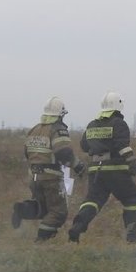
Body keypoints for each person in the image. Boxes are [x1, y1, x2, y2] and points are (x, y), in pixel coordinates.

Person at [68, 92, 136, 243]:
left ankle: (77, 226)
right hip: (115, 169)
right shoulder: (118, 123)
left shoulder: (92, 124)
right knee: (131, 198)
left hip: (95, 170)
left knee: (93, 200)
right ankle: (132, 234)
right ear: (118, 106)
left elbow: (84, 146)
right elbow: (122, 146)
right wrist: (133, 163)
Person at [12, 97, 85, 242]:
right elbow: (64, 153)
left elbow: (27, 152)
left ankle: (22, 209)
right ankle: (41, 241)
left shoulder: (35, 129)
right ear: (60, 114)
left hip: (33, 177)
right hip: (51, 178)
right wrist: (79, 167)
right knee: (58, 212)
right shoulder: (58, 129)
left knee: (44, 208)